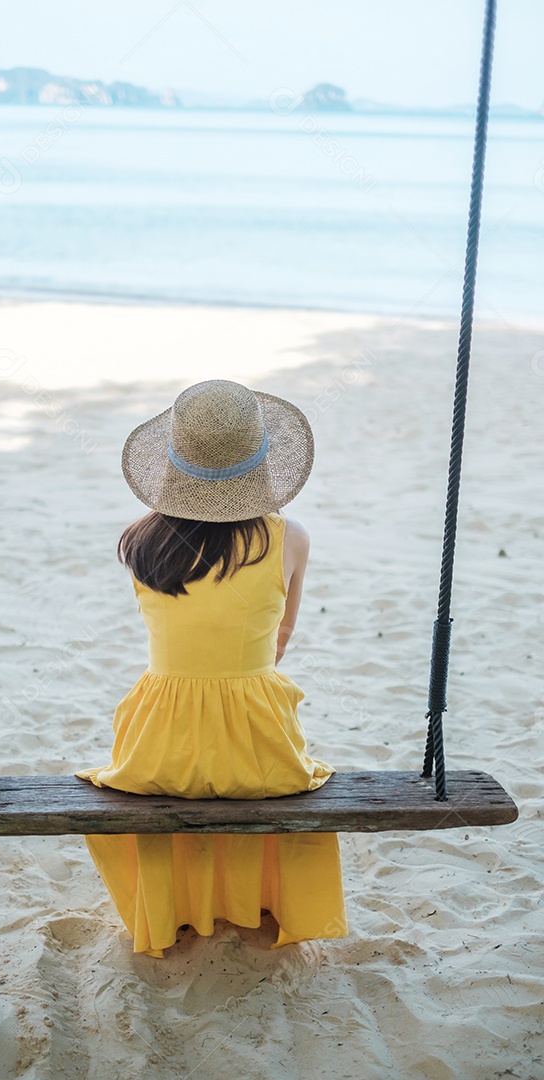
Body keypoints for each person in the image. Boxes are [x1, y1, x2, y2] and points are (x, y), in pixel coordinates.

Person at [74, 378, 348, 957]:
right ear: (260, 463)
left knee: (177, 781)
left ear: (173, 466)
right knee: (269, 771)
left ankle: (178, 906)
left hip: (156, 747)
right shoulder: (290, 538)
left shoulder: (141, 542)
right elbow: (281, 640)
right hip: (258, 745)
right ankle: (254, 902)